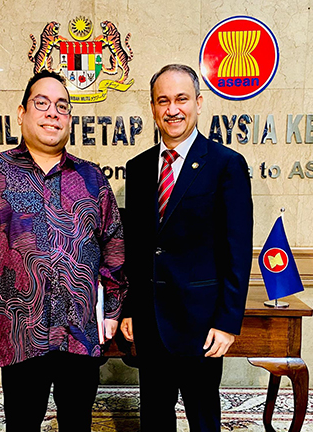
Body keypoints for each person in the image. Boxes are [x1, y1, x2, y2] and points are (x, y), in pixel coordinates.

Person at [0, 69, 127, 431]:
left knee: (78, 423)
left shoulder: (92, 178)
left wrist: (112, 309)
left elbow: (113, 246)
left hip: (79, 331)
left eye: (62, 106)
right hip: (20, 331)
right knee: (22, 423)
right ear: (22, 113)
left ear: (70, 119)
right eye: (42, 103)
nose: (52, 113)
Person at [120, 64, 253, 431]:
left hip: (202, 323)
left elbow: (238, 250)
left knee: (203, 419)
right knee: (154, 418)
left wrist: (227, 323)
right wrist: (130, 309)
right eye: (163, 100)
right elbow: (136, 247)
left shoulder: (226, 165)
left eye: (181, 99)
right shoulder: (138, 167)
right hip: (150, 321)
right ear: (152, 107)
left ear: (198, 102)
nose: (172, 109)